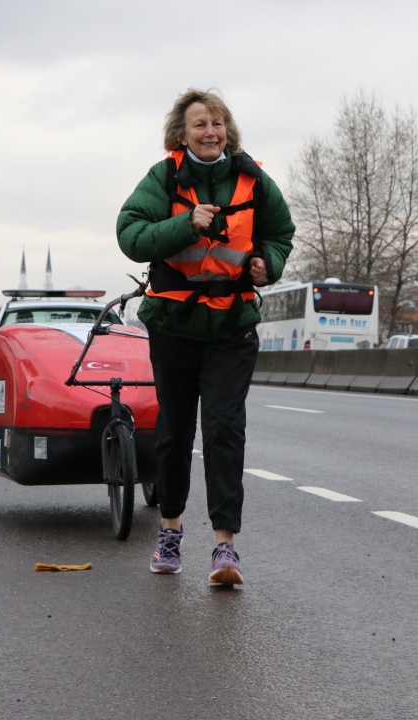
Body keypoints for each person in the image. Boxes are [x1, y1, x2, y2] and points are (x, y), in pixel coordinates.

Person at [117, 88, 294, 585]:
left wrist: (268, 265)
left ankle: (224, 549)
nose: (210, 131)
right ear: (182, 133)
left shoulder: (253, 180)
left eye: (217, 123)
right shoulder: (163, 177)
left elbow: (281, 233)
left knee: (223, 430)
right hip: (174, 325)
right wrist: (183, 225)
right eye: (200, 124)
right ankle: (169, 532)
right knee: (175, 432)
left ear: (228, 130)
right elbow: (130, 236)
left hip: (232, 326)